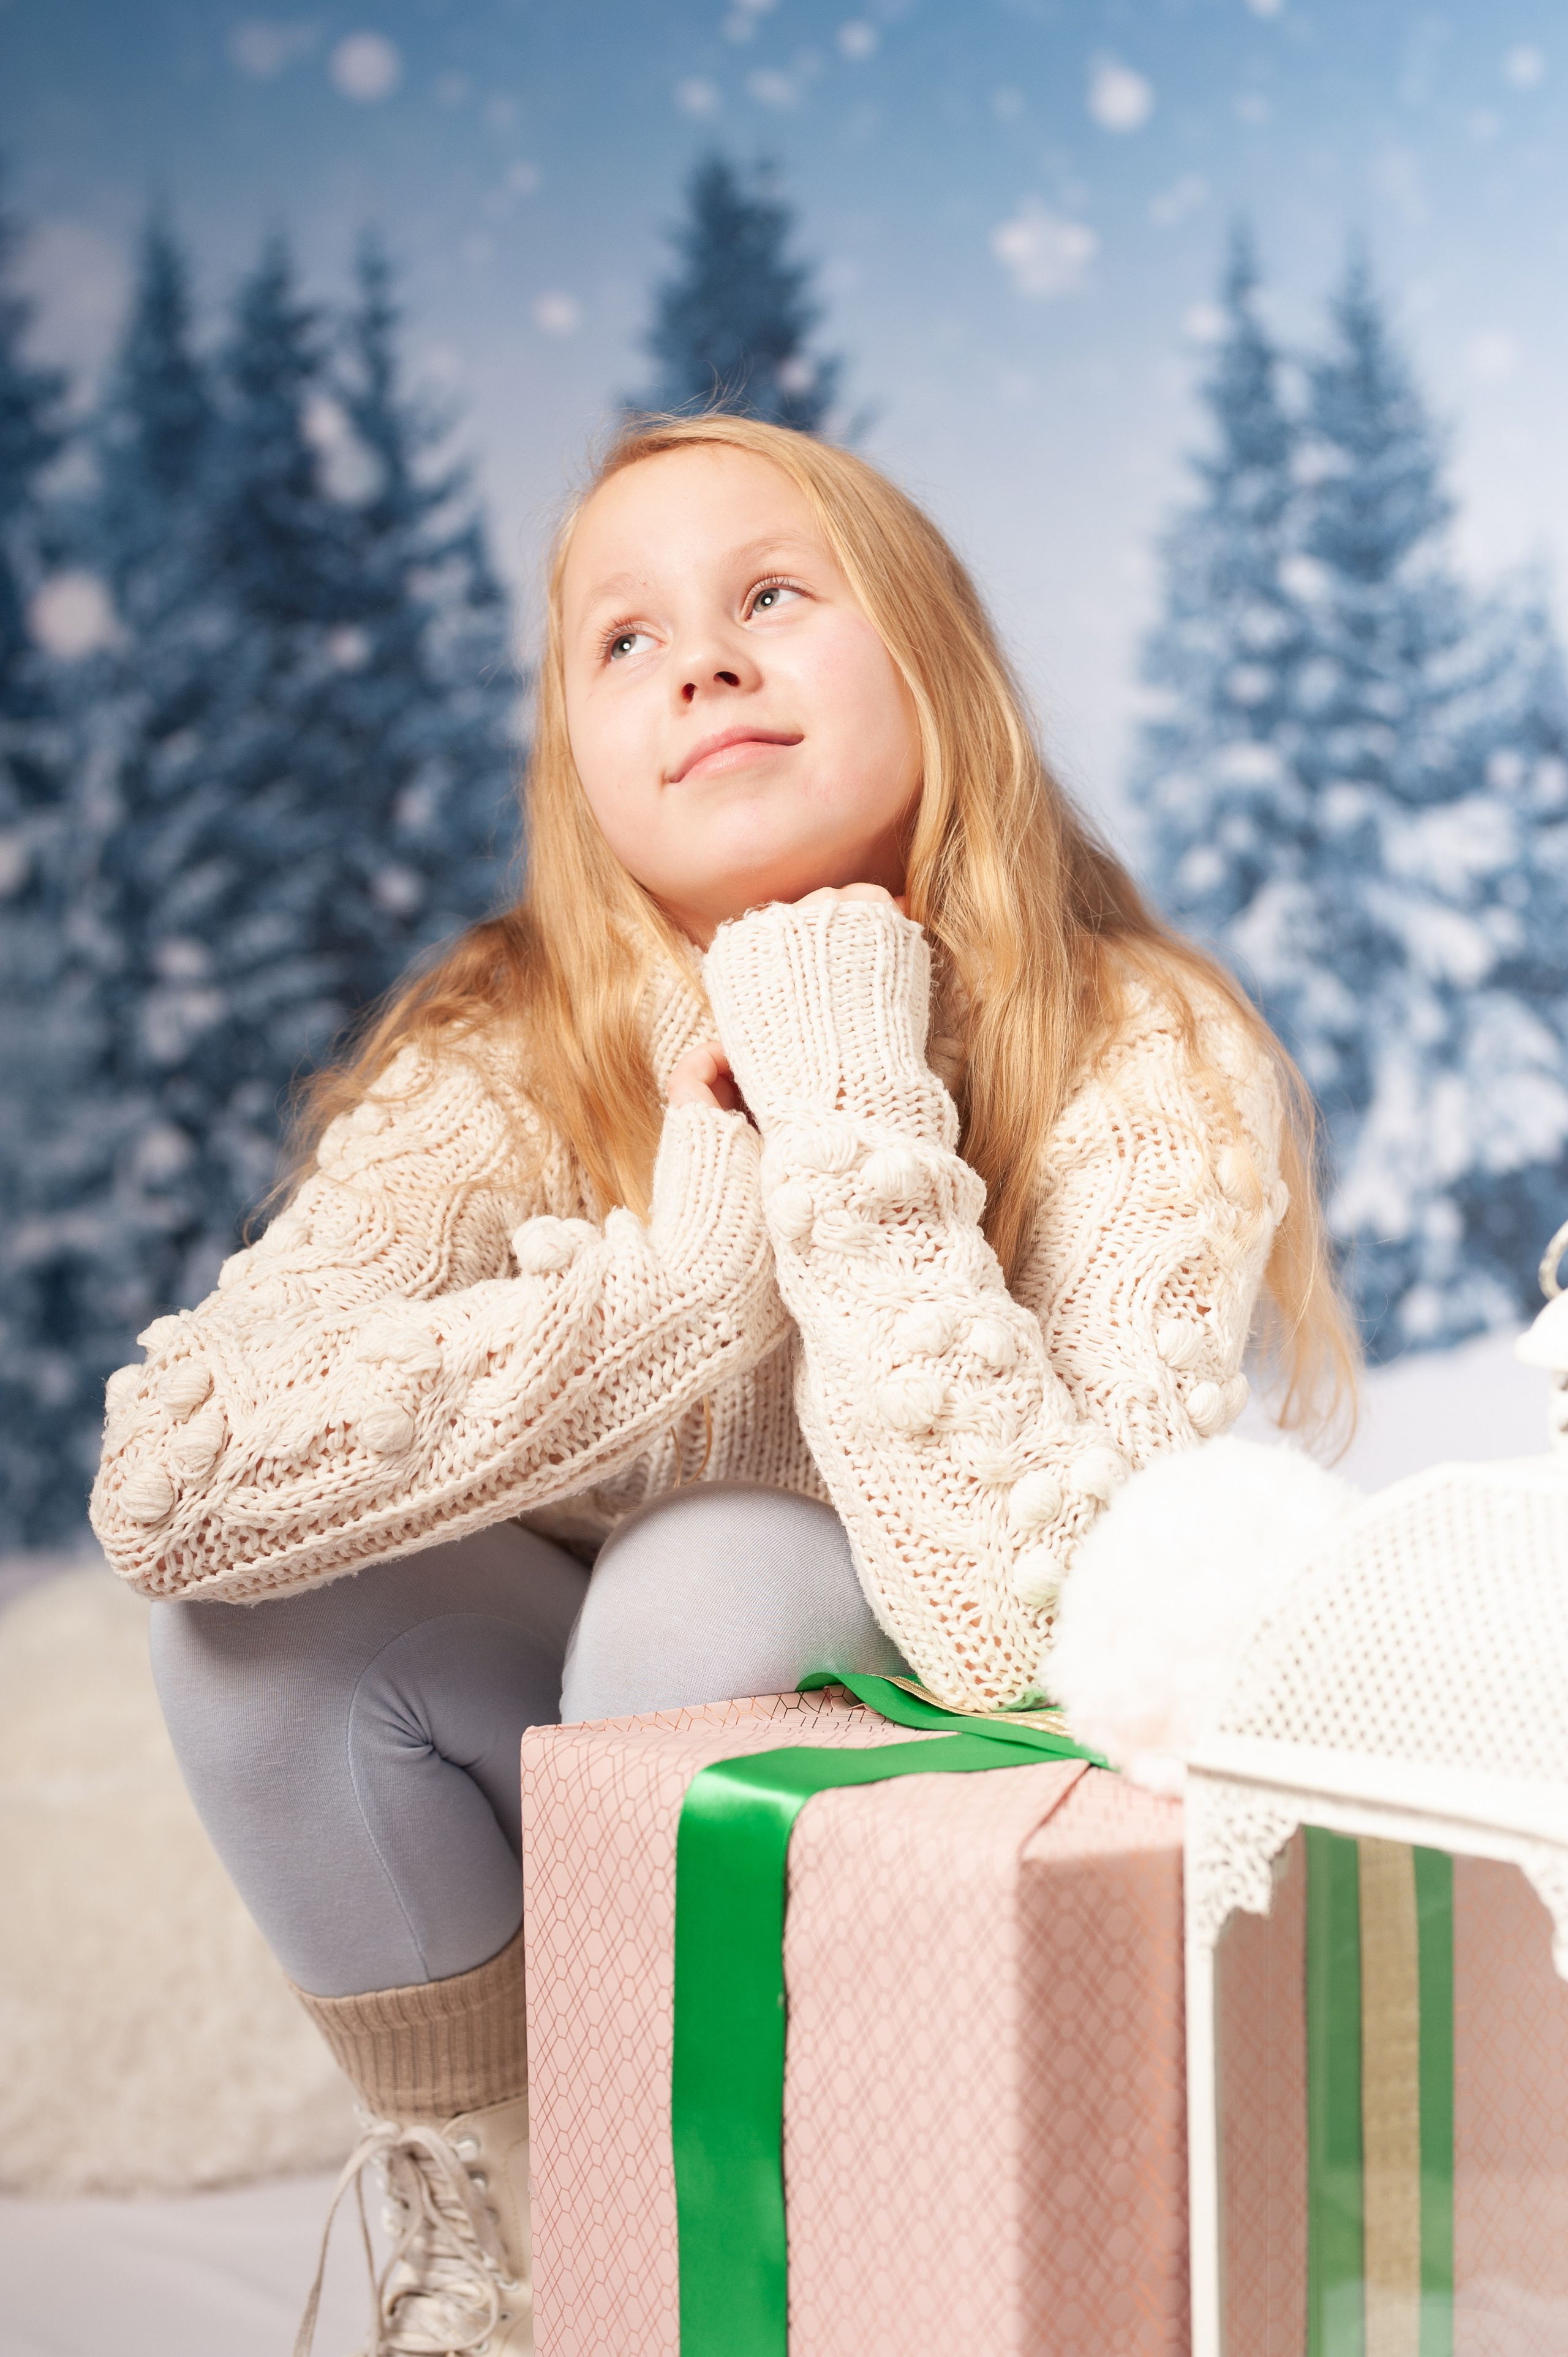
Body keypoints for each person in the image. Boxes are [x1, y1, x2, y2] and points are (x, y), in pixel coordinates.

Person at [90, 412, 1357, 2353]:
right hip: (577, 1769)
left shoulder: (1136, 1043)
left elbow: (1052, 1650)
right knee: (254, 1631)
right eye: (626, 638)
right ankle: (528, 2226)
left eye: (772, 596)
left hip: (946, 1810)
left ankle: (721, 2228)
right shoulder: (505, 1049)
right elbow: (169, 1488)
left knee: (720, 1571)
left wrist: (848, 1109)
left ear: (933, 661)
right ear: (578, 760)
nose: (700, 663)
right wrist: (684, 1294)